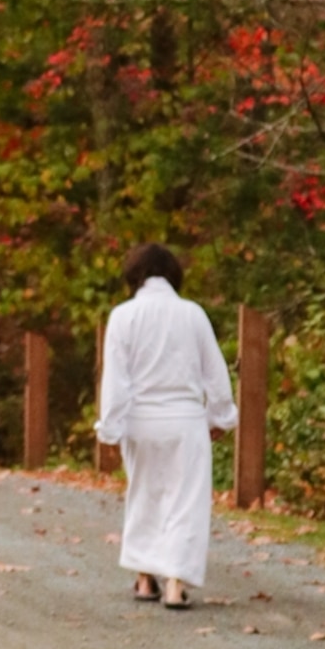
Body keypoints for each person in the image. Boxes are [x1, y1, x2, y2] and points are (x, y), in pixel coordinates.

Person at [96, 244, 237, 608]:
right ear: (174, 275)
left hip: (140, 421)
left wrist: (110, 428)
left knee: (144, 495)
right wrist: (221, 416)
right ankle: (174, 584)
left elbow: (115, 380)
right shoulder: (193, 314)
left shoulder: (123, 316)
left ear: (135, 276)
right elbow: (215, 373)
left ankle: (145, 580)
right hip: (186, 421)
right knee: (185, 501)